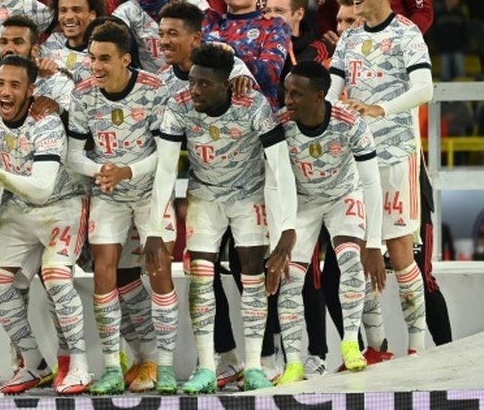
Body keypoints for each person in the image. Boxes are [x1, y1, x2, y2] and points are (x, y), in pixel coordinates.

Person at [144, 44, 297, 393]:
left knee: (252, 273)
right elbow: (166, 169)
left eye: (204, 85)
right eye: (192, 82)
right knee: (200, 277)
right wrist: (155, 227)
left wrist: (286, 227)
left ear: (227, 85)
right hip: (205, 195)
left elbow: (281, 166)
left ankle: (256, 366)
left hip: (249, 194)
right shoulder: (179, 106)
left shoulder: (254, 107)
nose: (194, 90)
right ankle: (208, 367)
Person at [0, 56, 93, 395]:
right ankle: (32, 363)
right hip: (18, 207)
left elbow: (42, 186)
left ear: (31, 91)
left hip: (62, 203)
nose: (5, 91)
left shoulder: (46, 123)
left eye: (15, 85)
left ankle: (79, 364)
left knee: (57, 278)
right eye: (0, 83)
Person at [327, 0, 434, 360]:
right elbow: (331, 94)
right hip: (356, 161)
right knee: (357, 254)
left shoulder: (406, 34)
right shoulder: (351, 38)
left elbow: (425, 89)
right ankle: (376, 348)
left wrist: (380, 109)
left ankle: (416, 350)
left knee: (400, 251)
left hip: (395, 157)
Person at [66, 22, 177, 394]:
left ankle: (165, 368)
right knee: (104, 273)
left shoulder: (155, 90)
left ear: (126, 60)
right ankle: (114, 366)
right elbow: (72, 156)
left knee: (159, 271)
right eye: (91, 58)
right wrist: (104, 171)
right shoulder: (83, 94)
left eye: (104, 59)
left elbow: (167, 154)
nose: (95, 66)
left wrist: (128, 170)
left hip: (150, 193)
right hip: (109, 192)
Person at [273, 61, 386, 384]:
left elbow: (371, 184)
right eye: (286, 92)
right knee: (291, 278)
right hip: (302, 202)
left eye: (297, 93)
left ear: (320, 95)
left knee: (350, 260)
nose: (288, 100)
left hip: (342, 196)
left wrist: (374, 243)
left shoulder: (351, 124)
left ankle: (351, 342)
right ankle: (294, 362)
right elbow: (274, 181)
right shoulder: (279, 124)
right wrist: (284, 228)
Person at [140, 0, 290, 108]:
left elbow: (269, 76)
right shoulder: (206, 20)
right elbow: (146, 0)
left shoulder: (274, 26)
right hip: (203, 121)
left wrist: (230, 54)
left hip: (254, 121)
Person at [40, 0, 107, 82]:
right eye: (63, 10)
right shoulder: (52, 43)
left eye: (77, 10)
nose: (69, 16)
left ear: (92, 15)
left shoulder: (102, 53)